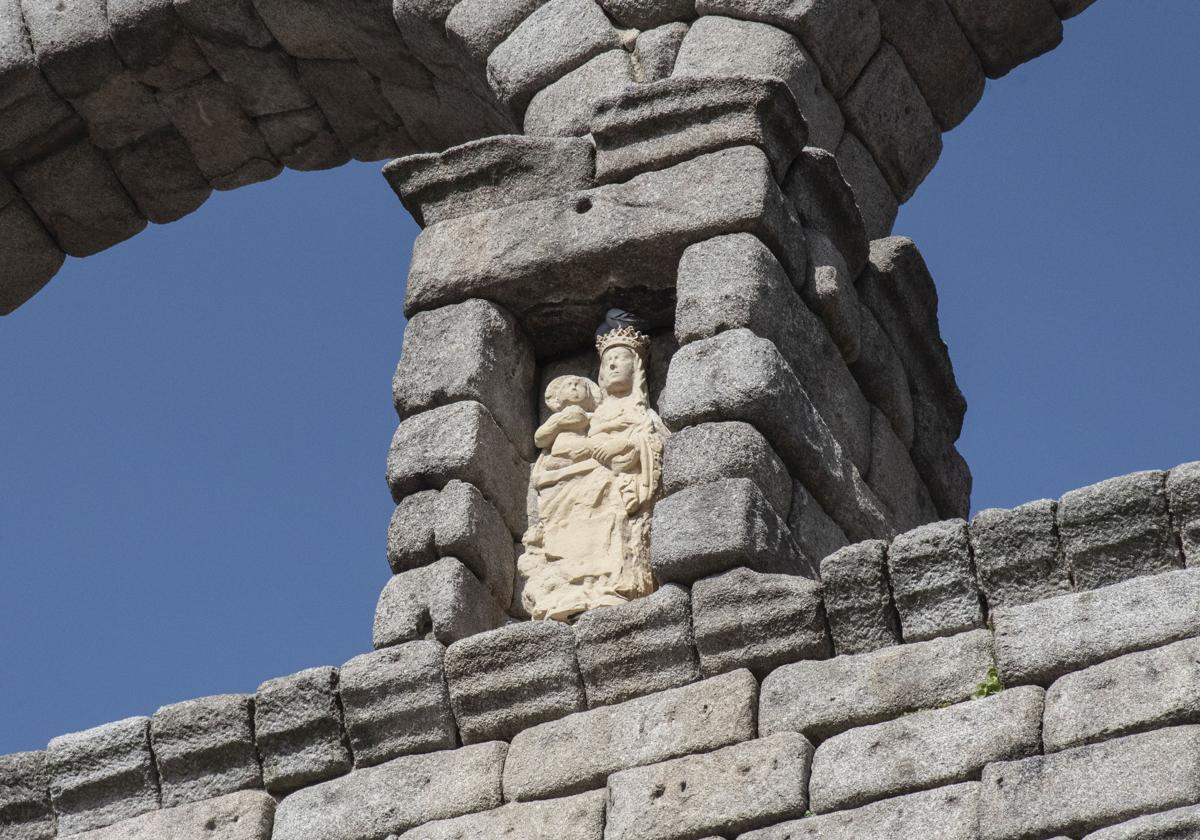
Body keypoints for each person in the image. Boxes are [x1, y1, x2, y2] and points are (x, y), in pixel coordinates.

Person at [517, 324, 669, 621]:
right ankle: (570, 586)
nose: (612, 364)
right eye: (607, 360)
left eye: (621, 357)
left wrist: (627, 447)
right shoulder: (590, 415)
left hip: (620, 481)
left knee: (610, 493)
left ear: (636, 366)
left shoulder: (643, 414)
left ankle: (611, 585)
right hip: (575, 484)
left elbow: (654, 443)